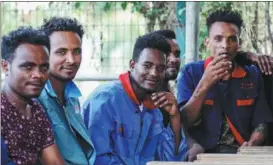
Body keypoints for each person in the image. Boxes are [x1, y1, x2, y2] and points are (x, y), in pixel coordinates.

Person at [177, 10, 273, 153]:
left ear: (239, 44)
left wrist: (252, 143)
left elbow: (262, 121)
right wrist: (205, 83)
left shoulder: (252, 74)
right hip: (202, 153)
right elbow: (184, 120)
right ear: (207, 42)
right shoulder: (190, 72)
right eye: (218, 38)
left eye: (232, 39)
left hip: (241, 153)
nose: (225, 45)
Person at [83, 33, 187, 165]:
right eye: (147, 65)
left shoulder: (153, 110)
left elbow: (168, 159)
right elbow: (97, 158)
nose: (154, 73)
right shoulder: (105, 100)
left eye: (160, 68)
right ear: (132, 65)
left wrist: (174, 116)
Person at [1, 27, 65, 165]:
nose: (39, 75)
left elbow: (54, 161)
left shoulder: (36, 110)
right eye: (28, 67)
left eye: (44, 67)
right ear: (5, 66)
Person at [37, 17, 96, 165]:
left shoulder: (72, 97)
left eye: (76, 51)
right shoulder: (35, 98)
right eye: (61, 52)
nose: (71, 60)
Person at [151, 29, 204, 161]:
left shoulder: (167, 92)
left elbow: (179, 129)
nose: (174, 59)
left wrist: (193, 145)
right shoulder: (146, 95)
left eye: (177, 54)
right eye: (167, 53)